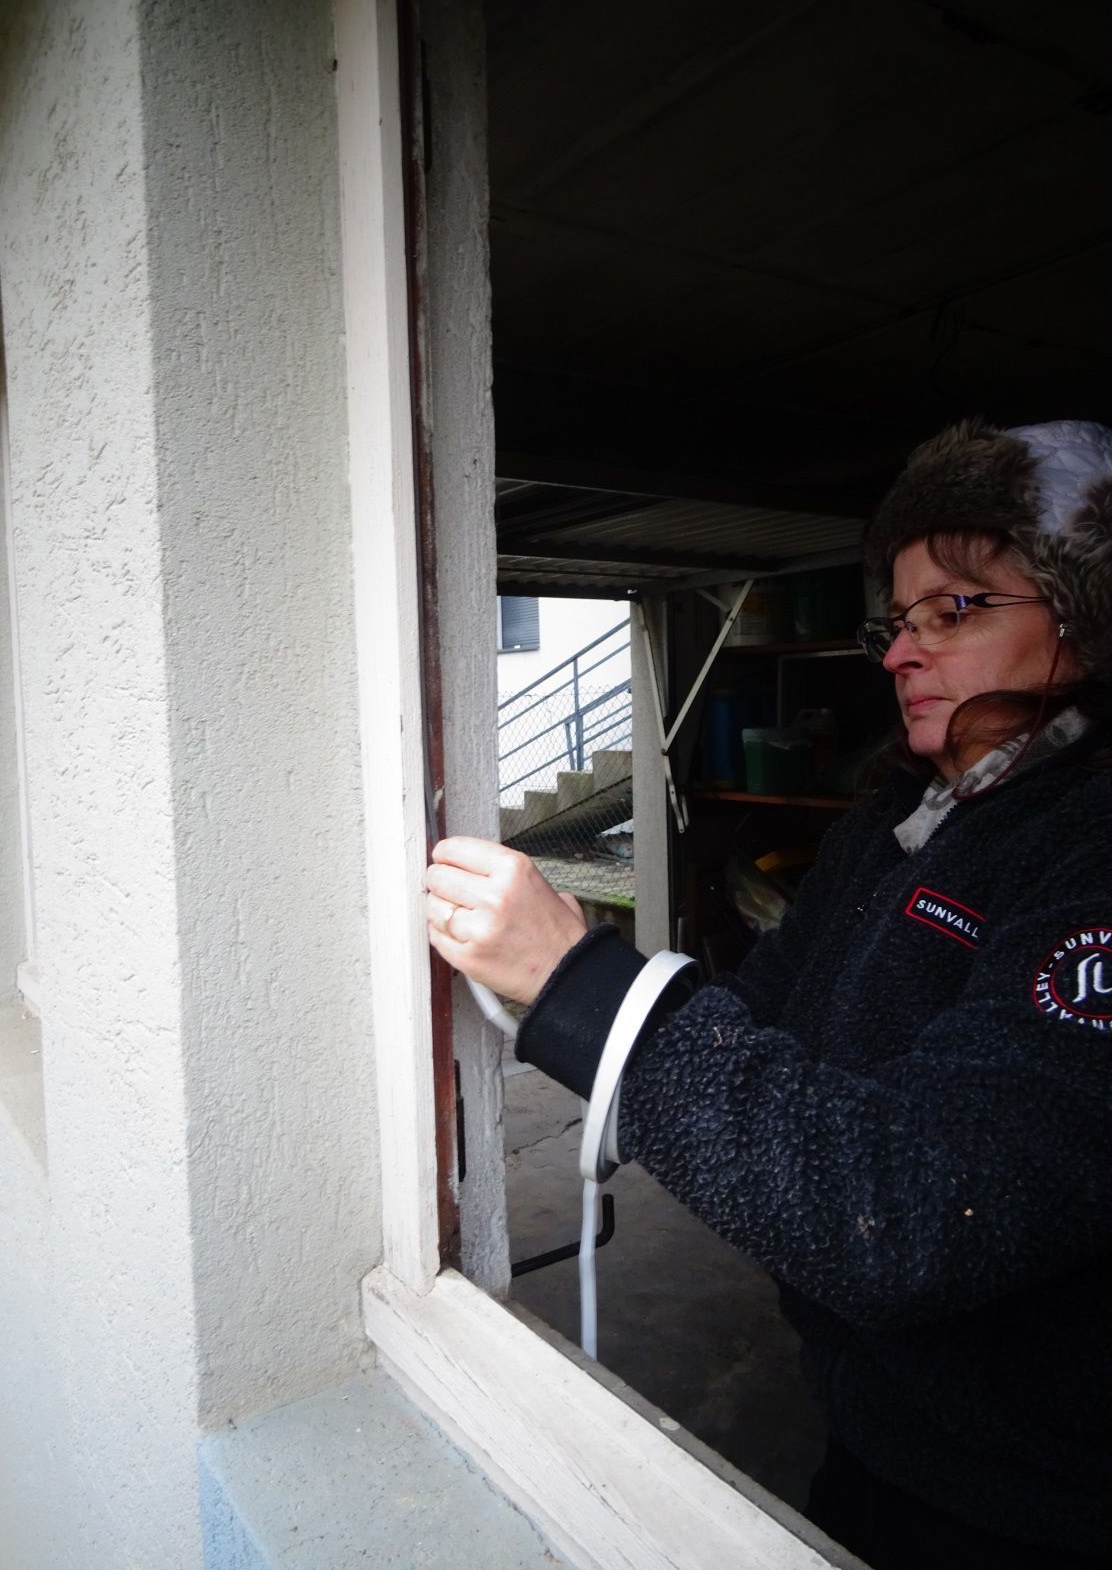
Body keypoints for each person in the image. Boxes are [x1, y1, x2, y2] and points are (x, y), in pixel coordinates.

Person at [426, 418, 1112, 1569]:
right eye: (897, 622)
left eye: (952, 610)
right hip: (871, 1434)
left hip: (1035, 1505)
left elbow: (907, 1214)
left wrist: (578, 983)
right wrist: (587, 990)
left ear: (1087, 616)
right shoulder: (897, 827)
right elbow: (757, 1018)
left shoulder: (1086, 853)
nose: (898, 654)